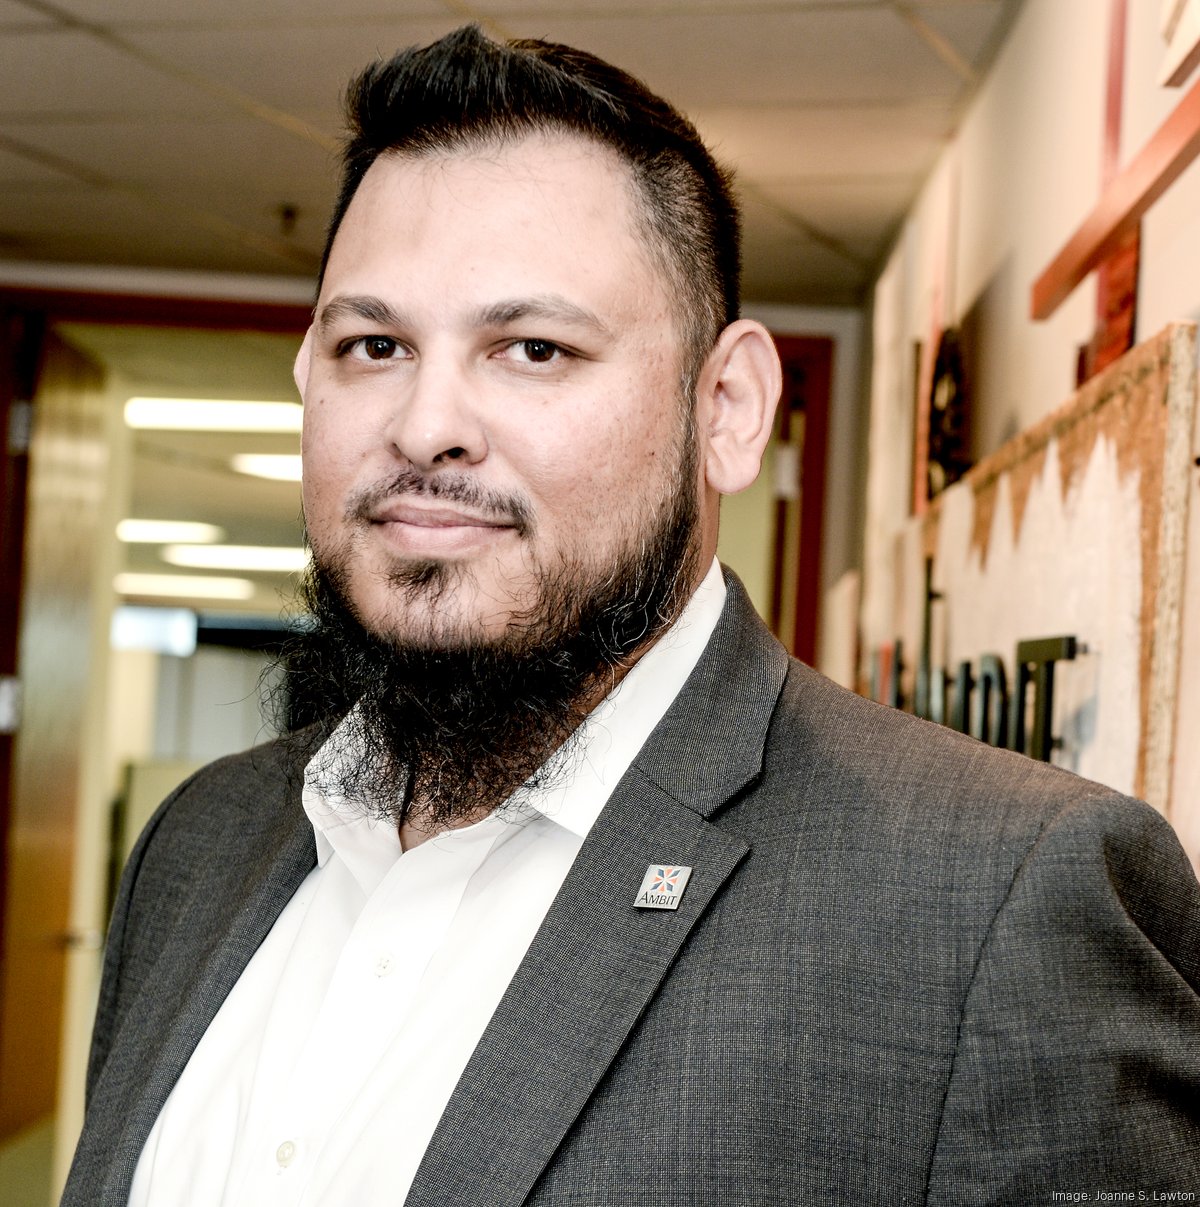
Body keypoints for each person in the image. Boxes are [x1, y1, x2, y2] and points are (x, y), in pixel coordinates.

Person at [64, 25, 1200, 1207]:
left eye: (533, 348)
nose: (424, 425)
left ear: (729, 408)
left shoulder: (998, 902)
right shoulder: (201, 843)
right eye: (375, 344)